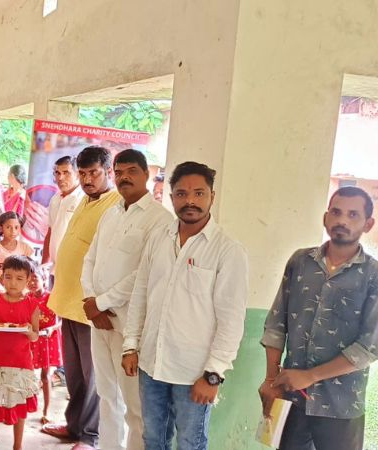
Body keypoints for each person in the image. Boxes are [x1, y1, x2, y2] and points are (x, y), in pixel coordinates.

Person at [121, 161, 248, 450]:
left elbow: (231, 320)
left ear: (212, 197)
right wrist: (131, 345)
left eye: (199, 193)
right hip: (151, 365)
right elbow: (141, 294)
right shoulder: (158, 239)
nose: (190, 201)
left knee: (191, 443)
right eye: (181, 194)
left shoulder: (228, 251)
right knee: (153, 438)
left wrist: (214, 374)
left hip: (194, 373)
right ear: (171, 196)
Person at [259, 186, 378, 450]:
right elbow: (277, 324)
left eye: (353, 215)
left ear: (367, 224)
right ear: (325, 218)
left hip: (342, 403)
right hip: (292, 398)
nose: (342, 221)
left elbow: (369, 347)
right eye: (336, 212)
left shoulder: (373, 275)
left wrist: (310, 376)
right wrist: (270, 380)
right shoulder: (300, 261)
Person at [80, 149, 172, 450]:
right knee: (106, 395)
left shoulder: (160, 220)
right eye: (118, 172)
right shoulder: (112, 211)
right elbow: (91, 258)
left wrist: (102, 302)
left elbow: (144, 275)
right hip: (99, 319)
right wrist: (91, 302)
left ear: (147, 174)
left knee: (134, 405)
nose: (123, 177)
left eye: (131, 171)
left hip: (129, 326)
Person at [42, 146, 122, 450]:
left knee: (94, 378)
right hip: (67, 301)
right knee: (74, 374)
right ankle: (74, 425)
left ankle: (91, 436)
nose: (88, 179)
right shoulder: (84, 201)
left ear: (108, 172)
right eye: (84, 173)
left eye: (94, 173)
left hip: (91, 307)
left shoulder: (115, 205)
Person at [0, 255, 41, 450]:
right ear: (2, 277)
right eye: (9, 277)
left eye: (20, 279)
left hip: (20, 361)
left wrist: (28, 331)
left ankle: (17, 446)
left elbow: (35, 336)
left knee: (19, 405)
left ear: (28, 280)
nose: (13, 283)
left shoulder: (32, 305)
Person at [28, 263, 62, 425]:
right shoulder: (26, 298)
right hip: (32, 340)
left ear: (44, 279)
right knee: (28, 375)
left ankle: (46, 409)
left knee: (46, 376)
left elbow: (61, 320)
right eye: (29, 280)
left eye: (35, 279)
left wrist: (51, 329)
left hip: (48, 341)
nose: (32, 283)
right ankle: (30, 405)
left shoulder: (52, 297)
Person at [41, 156, 84, 274]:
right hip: (53, 268)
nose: (60, 178)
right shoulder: (55, 199)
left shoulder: (84, 199)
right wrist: (44, 265)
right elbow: (50, 233)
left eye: (66, 173)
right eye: (57, 173)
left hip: (74, 269)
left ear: (78, 174)